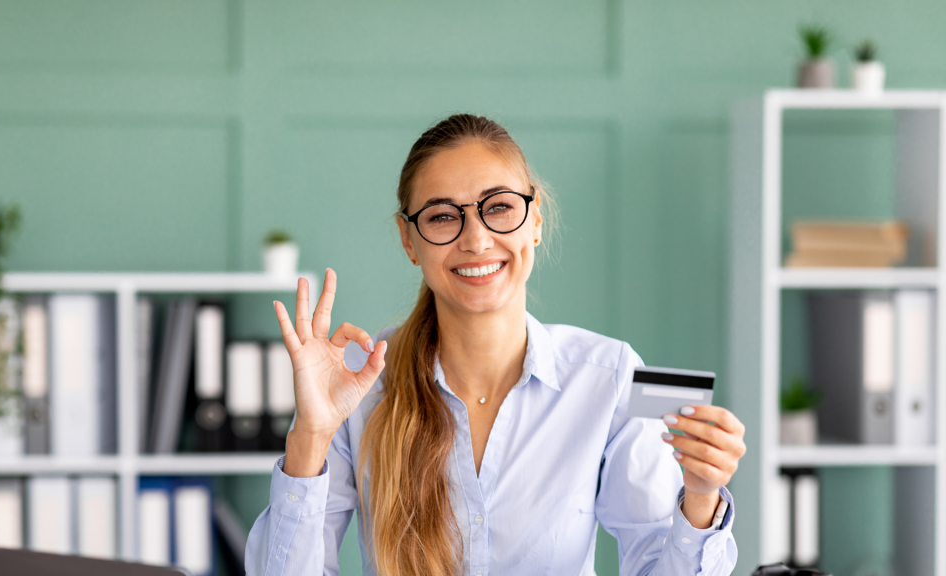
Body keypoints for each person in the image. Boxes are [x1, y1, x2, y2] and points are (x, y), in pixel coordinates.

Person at [246, 114, 746, 576]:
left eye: (500, 208)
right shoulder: (359, 381)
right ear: (408, 239)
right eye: (443, 216)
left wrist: (700, 499)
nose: (477, 239)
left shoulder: (615, 375)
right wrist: (310, 434)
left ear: (535, 220)